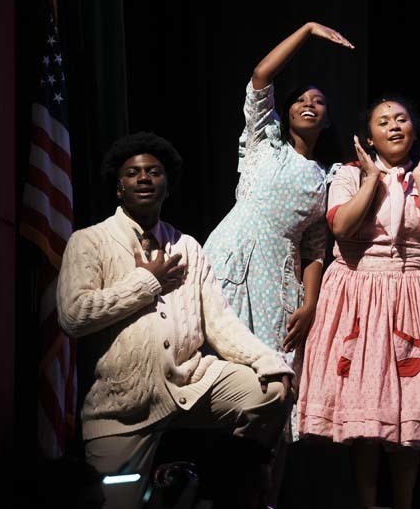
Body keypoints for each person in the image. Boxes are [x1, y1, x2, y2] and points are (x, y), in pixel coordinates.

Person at [56, 131, 294, 509]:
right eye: (134, 173)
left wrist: (268, 361)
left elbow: (220, 322)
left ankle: (232, 481)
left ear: (167, 186)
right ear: (119, 188)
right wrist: (146, 283)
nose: (145, 178)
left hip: (192, 382)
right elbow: (74, 316)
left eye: (154, 172)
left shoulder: (187, 247)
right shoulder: (90, 241)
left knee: (271, 390)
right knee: (114, 504)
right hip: (123, 404)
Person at [297, 95, 420, 509]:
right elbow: (343, 227)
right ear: (370, 136)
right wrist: (369, 179)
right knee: (366, 407)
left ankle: (405, 503)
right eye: (384, 121)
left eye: (401, 119)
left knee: (411, 408)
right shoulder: (347, 174)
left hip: (415, 294)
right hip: (360, 292)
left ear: (414, 130)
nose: (395, 126)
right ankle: (367, 504)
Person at [202, 21, 353, 503]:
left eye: (320, 102)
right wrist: (306, 31)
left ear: (327, 120)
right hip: (232, 255)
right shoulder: (263, 143)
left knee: (274, 385)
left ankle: (262, 493)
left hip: (280, 276)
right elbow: (261, 75)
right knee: (219, 370)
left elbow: (315, 247)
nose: (309, 104)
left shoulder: (325, 175)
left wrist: (310, 304)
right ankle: (214, 489)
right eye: (300, 99)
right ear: (286, 112)